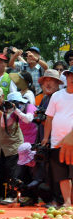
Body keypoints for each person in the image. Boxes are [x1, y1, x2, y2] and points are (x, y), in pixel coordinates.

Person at [42, 69, 73, 207]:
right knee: (62, 174)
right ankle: (67, 203)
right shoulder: (57, 96)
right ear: (66, 78)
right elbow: (49, 118)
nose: (71, 78)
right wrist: (45, 138)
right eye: (69, 75)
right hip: (56, 141)